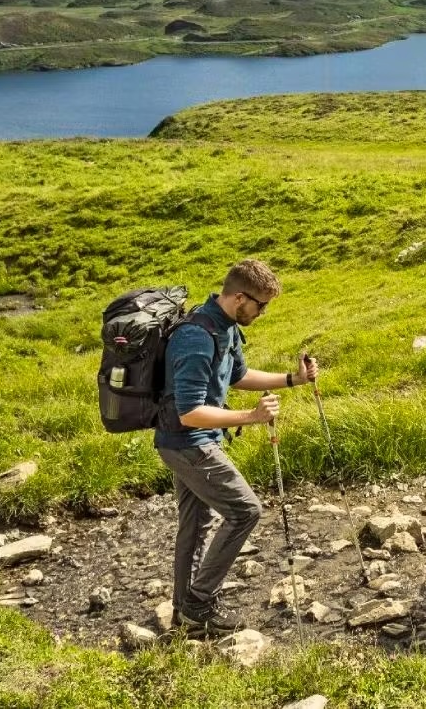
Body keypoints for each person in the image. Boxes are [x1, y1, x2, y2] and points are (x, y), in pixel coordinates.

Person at [155, 258, 320, 635]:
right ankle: (198, 604)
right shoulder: (196, 337)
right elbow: (191, 412)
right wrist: (252, 417)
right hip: (187, 442)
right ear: (240, 297)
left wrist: (292, 379)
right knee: (245, 510)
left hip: (196, 440)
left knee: (195, 524)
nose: (263, 312)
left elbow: (238, 376)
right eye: (260, 305)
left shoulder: (224, 326)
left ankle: (187, 617)